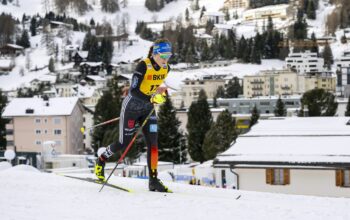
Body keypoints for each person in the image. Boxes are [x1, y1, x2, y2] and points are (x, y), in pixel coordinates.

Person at [94, 38, 173, 193]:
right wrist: (151, 97)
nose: (166, 59)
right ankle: (102, 158)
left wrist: (162, 94)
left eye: (168, 55)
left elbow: (155, 87)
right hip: (131, 107)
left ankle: (153, 180)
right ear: (155, 53)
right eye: (163, 55)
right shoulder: (144, 65)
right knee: (123, 143)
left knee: (153, 144)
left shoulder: (166, 68)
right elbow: (134, 91)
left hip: (148, 109)